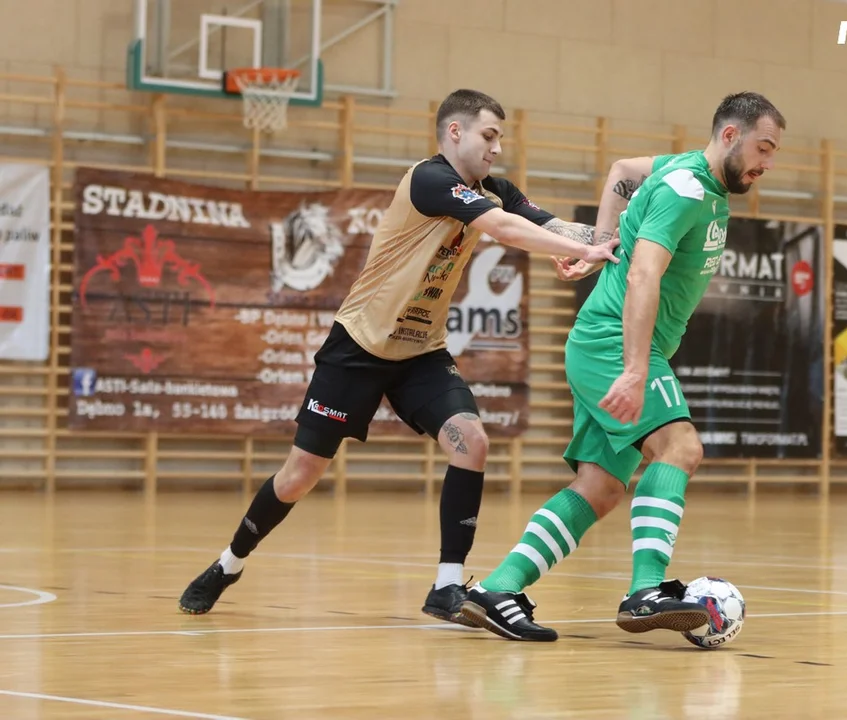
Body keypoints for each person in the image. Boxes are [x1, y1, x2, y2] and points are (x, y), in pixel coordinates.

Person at [177, 89, 619, 623]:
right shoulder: (428, 181)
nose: (497, 148)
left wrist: (616, 238)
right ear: (455, 132)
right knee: (299, 477)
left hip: (421, 352)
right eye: (489, 135)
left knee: (472, 441)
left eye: (500, 138)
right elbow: (503, 229)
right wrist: (579, 252)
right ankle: (228, 563)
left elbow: (550, 225)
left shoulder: (496, 189)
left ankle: (446, 587)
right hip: (359, 346)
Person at [460, 92, 786, 641]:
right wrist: (636, 370)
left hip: (600, 341)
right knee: (680, 448)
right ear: (730, 136)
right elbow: (642, 277)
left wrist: (600, 237)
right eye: (763, 148)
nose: (767, 164)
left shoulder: (684, 170)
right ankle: (645, 592)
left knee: (601, 486)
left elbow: (621, 169)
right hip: (616, 342)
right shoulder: (685, 192)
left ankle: (499, 587)